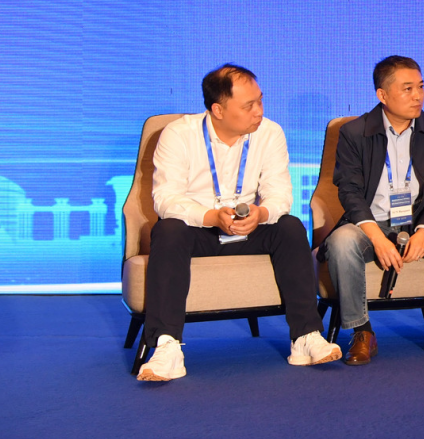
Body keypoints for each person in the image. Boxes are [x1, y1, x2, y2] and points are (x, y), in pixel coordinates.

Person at [138, 64, 340, 381]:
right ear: (218, 110)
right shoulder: (179, 135)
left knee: (290, 226)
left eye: (260, 101)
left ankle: (306, 336)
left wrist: (261, 214)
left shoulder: (270, 133)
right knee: (167, 229)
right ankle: (167, 346)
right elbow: (166, 199)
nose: (259, 111)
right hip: (200, 229)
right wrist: (211, 217)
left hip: (249, 227)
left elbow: (279, 194)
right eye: (249, 105)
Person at [320, 56, 424, 365]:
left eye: (420, 87)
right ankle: (362, 332)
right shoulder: (355, 132)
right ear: (382, 95)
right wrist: (377, 238)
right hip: (371, 225)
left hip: (418, 223)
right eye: (408, 89)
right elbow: (349, 191)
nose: (418, 96)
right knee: (341, 242)